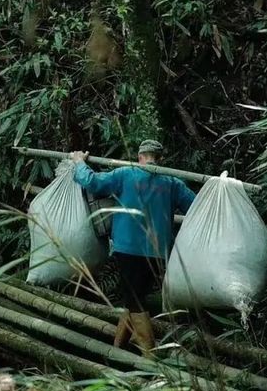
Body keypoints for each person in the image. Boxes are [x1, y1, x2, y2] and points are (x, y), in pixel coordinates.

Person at [69, 140, 196, 352]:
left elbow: (92, 182)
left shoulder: (125, 175)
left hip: (128, 249)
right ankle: (117, 348)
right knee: (134, 298)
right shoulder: (172, 183)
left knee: (135, 301)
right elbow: (195, 206)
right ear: (160, 159)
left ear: (139, 157)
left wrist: (79, 162)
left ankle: (150, 355)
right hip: (158, 251)